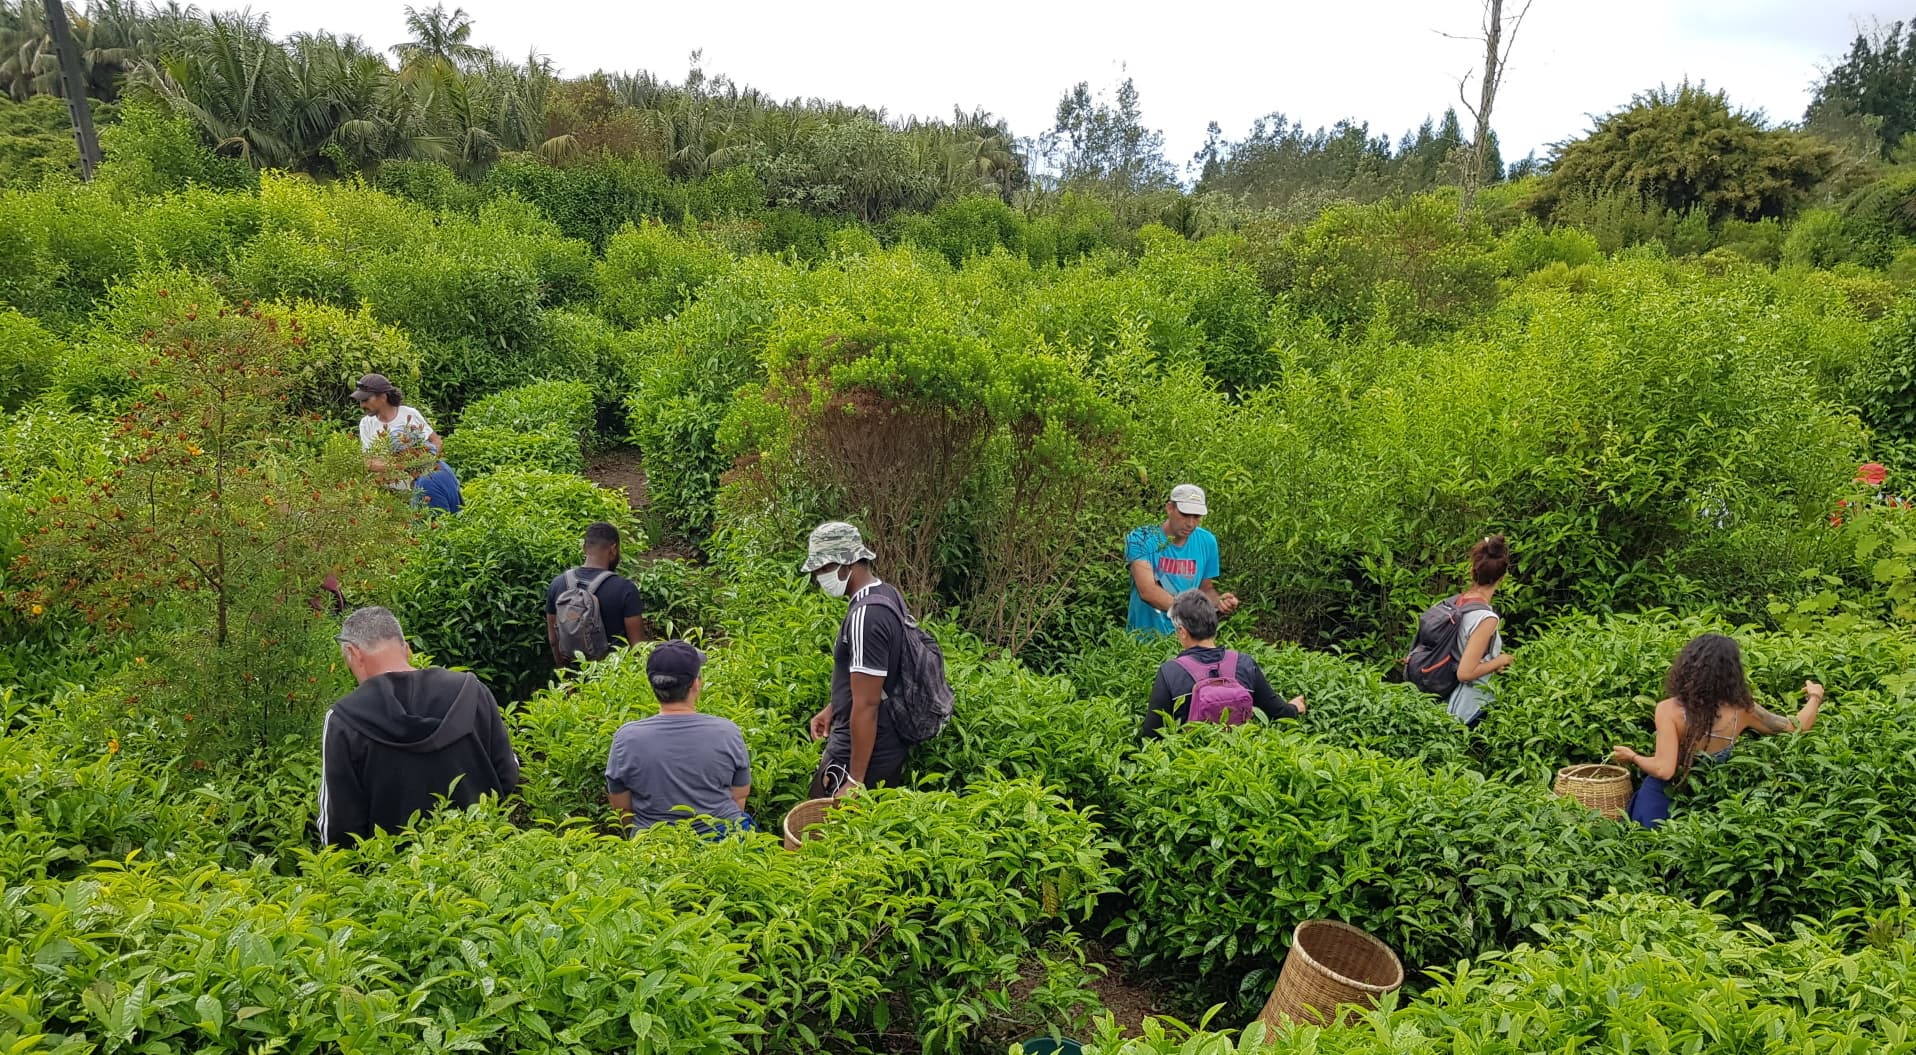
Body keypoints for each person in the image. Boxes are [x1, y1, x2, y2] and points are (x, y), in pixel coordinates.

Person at [319, 606, 520, 847]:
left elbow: (339, 826)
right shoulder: (470, 691)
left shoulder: (343, 719)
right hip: (482, 862)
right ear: (407, 649)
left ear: (354, 653)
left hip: (397, 876)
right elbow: (507, 776)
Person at [1612, 634, 1825, 830]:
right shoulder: (1744, 709)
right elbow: (1796, 726)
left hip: (1660, 800)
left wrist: (1632, 756)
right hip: (1708, 801)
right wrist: (1815, 697)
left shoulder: (1669, 709)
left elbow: (1665, 770)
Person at [801, 521, 913, 798]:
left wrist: (855, 779)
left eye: (824, 569)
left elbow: (867, 704)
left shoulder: (866, 616)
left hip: (862, 748)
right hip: (879, 738)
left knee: (815, 832)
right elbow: (874, 679)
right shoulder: (885, 593)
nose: (819, 577)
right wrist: (834, 707)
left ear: (847, 563)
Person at [604, 640, 754, 836]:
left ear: (652, 685)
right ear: (696, 684)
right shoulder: (727, 731)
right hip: (724, 840)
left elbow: (622, 809)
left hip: (654, 845)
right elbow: (739, 797)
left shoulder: (626, 738)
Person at [1140, 590, 1305, 741]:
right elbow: (1276, 711)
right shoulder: (1244, 663)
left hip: (1192, 765)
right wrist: (1294, 708)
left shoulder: (1170, 672)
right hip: (1237, 761)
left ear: (1182, 631)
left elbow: (1151, 734)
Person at [1125, 484, 1238, 636]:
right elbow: (1147, 591)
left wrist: (1218, 602)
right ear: (1170, 508)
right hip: (1143, 640)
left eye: (1196, 517)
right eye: (1185, 515)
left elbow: (1205, 589)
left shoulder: (1207, 541)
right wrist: (1193, 611)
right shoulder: (1140, 539)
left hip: (1187, 641)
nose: (1190, 523)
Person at [545, 522, 646, 665]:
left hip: (574, 679)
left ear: (584, 548)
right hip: (612, 679)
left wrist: (565, 677)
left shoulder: (557, 584)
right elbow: (638, 647)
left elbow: (553, 640)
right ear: (613, 549)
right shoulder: (625, 589)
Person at [1446, 535, 1513, 726]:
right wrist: (1501, 660)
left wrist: (1491, 663)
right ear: (1503, 576)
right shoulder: (1486, 618)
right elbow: (1465, 672)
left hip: (1446, 696)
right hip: (1469, 709)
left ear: (1472, 571)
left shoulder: (1457, 602)